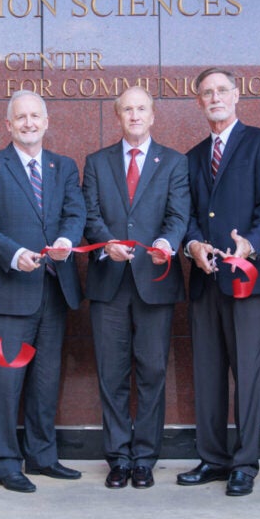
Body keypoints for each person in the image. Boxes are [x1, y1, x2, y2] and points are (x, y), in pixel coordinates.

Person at [0, 90, 85, 493]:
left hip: (54, 291)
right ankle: (3, 461)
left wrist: (68, 240)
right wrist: (14, 254)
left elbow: (76, 212)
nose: (29, 123)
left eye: (36, 116)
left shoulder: (64, 166)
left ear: (47, 121)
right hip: (10, 293)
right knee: (6, 383)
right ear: (8, 125)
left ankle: (42, 456)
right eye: (21, 118)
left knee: (45, 381)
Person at [178, 68, 260, 497]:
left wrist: (251, 247)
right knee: (207, 374)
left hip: (247, 281)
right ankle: (213, 458)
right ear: (198, 102)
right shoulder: (192, 156)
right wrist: (191, 247)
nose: (215, 97)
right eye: (207, 92)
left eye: (222, 90)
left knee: (249, 373)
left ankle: (244, 463)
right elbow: (185, 215)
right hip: (205, 281)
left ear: (237, 96)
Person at [82, 86, 190, 490]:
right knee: (111, 375)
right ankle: (118, 457)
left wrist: (167, 243)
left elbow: (179, 215)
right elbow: (89, 215)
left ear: (153, 115)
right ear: (118, 116)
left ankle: (144, 458)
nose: (135, 115)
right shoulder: (96, 162)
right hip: (109, 281)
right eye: (127, 109)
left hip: (155, 283)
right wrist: (105, 243)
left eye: (141, 108)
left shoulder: (174, 163)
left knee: (152, 372)